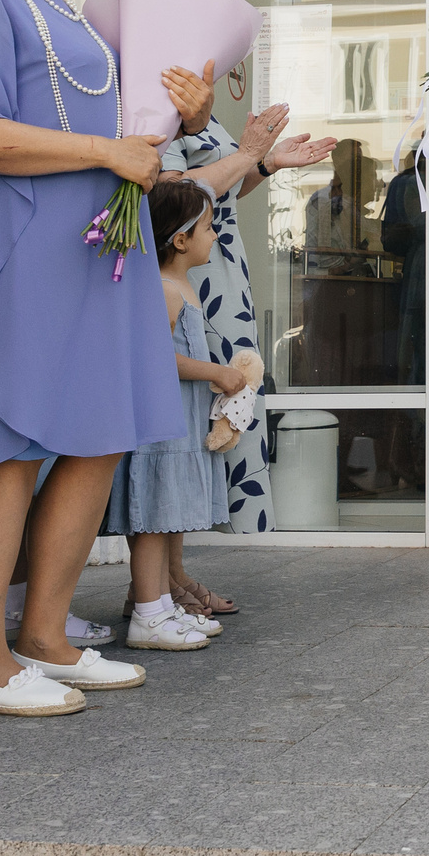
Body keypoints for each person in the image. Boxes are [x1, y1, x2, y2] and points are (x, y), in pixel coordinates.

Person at [0, 0, 184, 715]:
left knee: (99, 430)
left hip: (94, 249)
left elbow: (105, 119)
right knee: (7, 441)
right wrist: (103, 151)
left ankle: (45, 635)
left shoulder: (64, 11)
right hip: (25, 246)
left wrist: (171, 114)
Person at [159, 61, 333, 551]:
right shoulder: (157, 105)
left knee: (232, 406)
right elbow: (180, 199)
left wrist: (265, 163)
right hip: (196, 274)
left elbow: (221, 195)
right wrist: (253, 154)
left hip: (222, 269)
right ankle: (181, 568)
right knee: (205, 410)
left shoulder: (196, 112)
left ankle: (182, 570)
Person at [111, 178, 244, 649]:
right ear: (181, 239)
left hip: (178, 427)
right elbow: (155, 357)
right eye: (208, 227)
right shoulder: (165, 290)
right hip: (160, 433)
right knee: (152, 519)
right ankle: (148, 613)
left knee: (167, 518)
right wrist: (217, 372)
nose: (215, 235)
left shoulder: (179, 285)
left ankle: (163, 604)